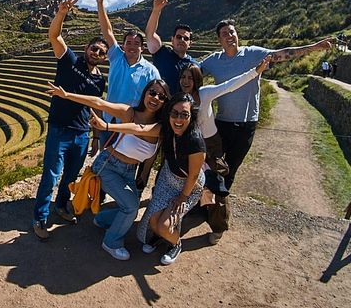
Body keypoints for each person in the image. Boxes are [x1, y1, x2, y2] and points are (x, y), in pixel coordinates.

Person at [200, 19, 333, 244]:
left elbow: (285, 54)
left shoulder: (254, 54)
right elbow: (191, 71)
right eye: (224, 33)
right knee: (212, 169)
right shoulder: (214, 60)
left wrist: (315, 47)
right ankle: (208, 207)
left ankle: (218, 212)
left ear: (236, 34)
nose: (229, 36)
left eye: (231, 32)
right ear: (219, 39)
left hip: (246, 125)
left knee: (229, 172)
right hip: (221, 124)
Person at [46, 79, 171, 260]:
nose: (155, 98)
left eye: (161, 96)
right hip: (108, 166)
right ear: (145, 93)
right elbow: (99, 103)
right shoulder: (130, 113)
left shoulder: (160, 127)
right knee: (131, 206)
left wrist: (144, 173)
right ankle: (111, 242)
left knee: (131, 208)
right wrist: (66, 95)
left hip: (130, 170)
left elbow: (142, 134)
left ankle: (102, 220)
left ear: (165, 102)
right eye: (152, 92)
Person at [90, 92, 205, 265]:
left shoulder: (195, 141)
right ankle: (159, 235)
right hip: (168, 180)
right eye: (174, 114)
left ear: (191, 116)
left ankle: (175, 243)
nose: (178, 119)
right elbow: (138, 128)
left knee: (163, 225)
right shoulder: (166, 129)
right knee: (152, 221)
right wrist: (106, 126)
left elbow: (194, 175)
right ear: (168, 114)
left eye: (184, 115)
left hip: (188, 186)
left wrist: (183, 197)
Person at [32, 0, 108, 242]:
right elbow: (54, 36)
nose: (96, 52)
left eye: (101, 51)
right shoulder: (70, 61)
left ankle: (61, 206)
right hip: (60, 130)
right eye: (94, 48)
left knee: (70, 176)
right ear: (86, 49)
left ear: (104, 57)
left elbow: (95, 109)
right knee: (50, 176)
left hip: (82, 134)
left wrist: (95, 136)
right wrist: (62, 13)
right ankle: (40, 218)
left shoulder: (99, 80)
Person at [177, 57, 271, 238]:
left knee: (216, 185)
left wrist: (255, 72)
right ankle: (195, 211)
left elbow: (230, 85)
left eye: (190, 77)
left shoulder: (205, 94)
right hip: (191, 147)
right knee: (193, 182)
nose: (186, 81)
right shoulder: (180, 99)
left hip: (211, 146)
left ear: (197, 80)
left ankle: (218, 227)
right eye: (183, 77)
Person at [96, 0, 160, 149]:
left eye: (136, 43)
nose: (132, 46)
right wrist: (100, 4)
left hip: (130, 125)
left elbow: (156, 98)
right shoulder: (116, 57)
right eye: (128, 43)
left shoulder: (150, 71)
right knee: (104, 159)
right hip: (108, 121)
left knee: (126, 162)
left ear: (142, 48)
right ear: (123, 46)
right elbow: (107, 31)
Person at [145, 0, 199, 94]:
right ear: (172, 39)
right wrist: (156, 10)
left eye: (186, 38)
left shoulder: (194, 66)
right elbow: (150, 34)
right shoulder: (162, 53)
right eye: (178, 37)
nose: (182, 40)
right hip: (160, 106)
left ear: (190, 44)